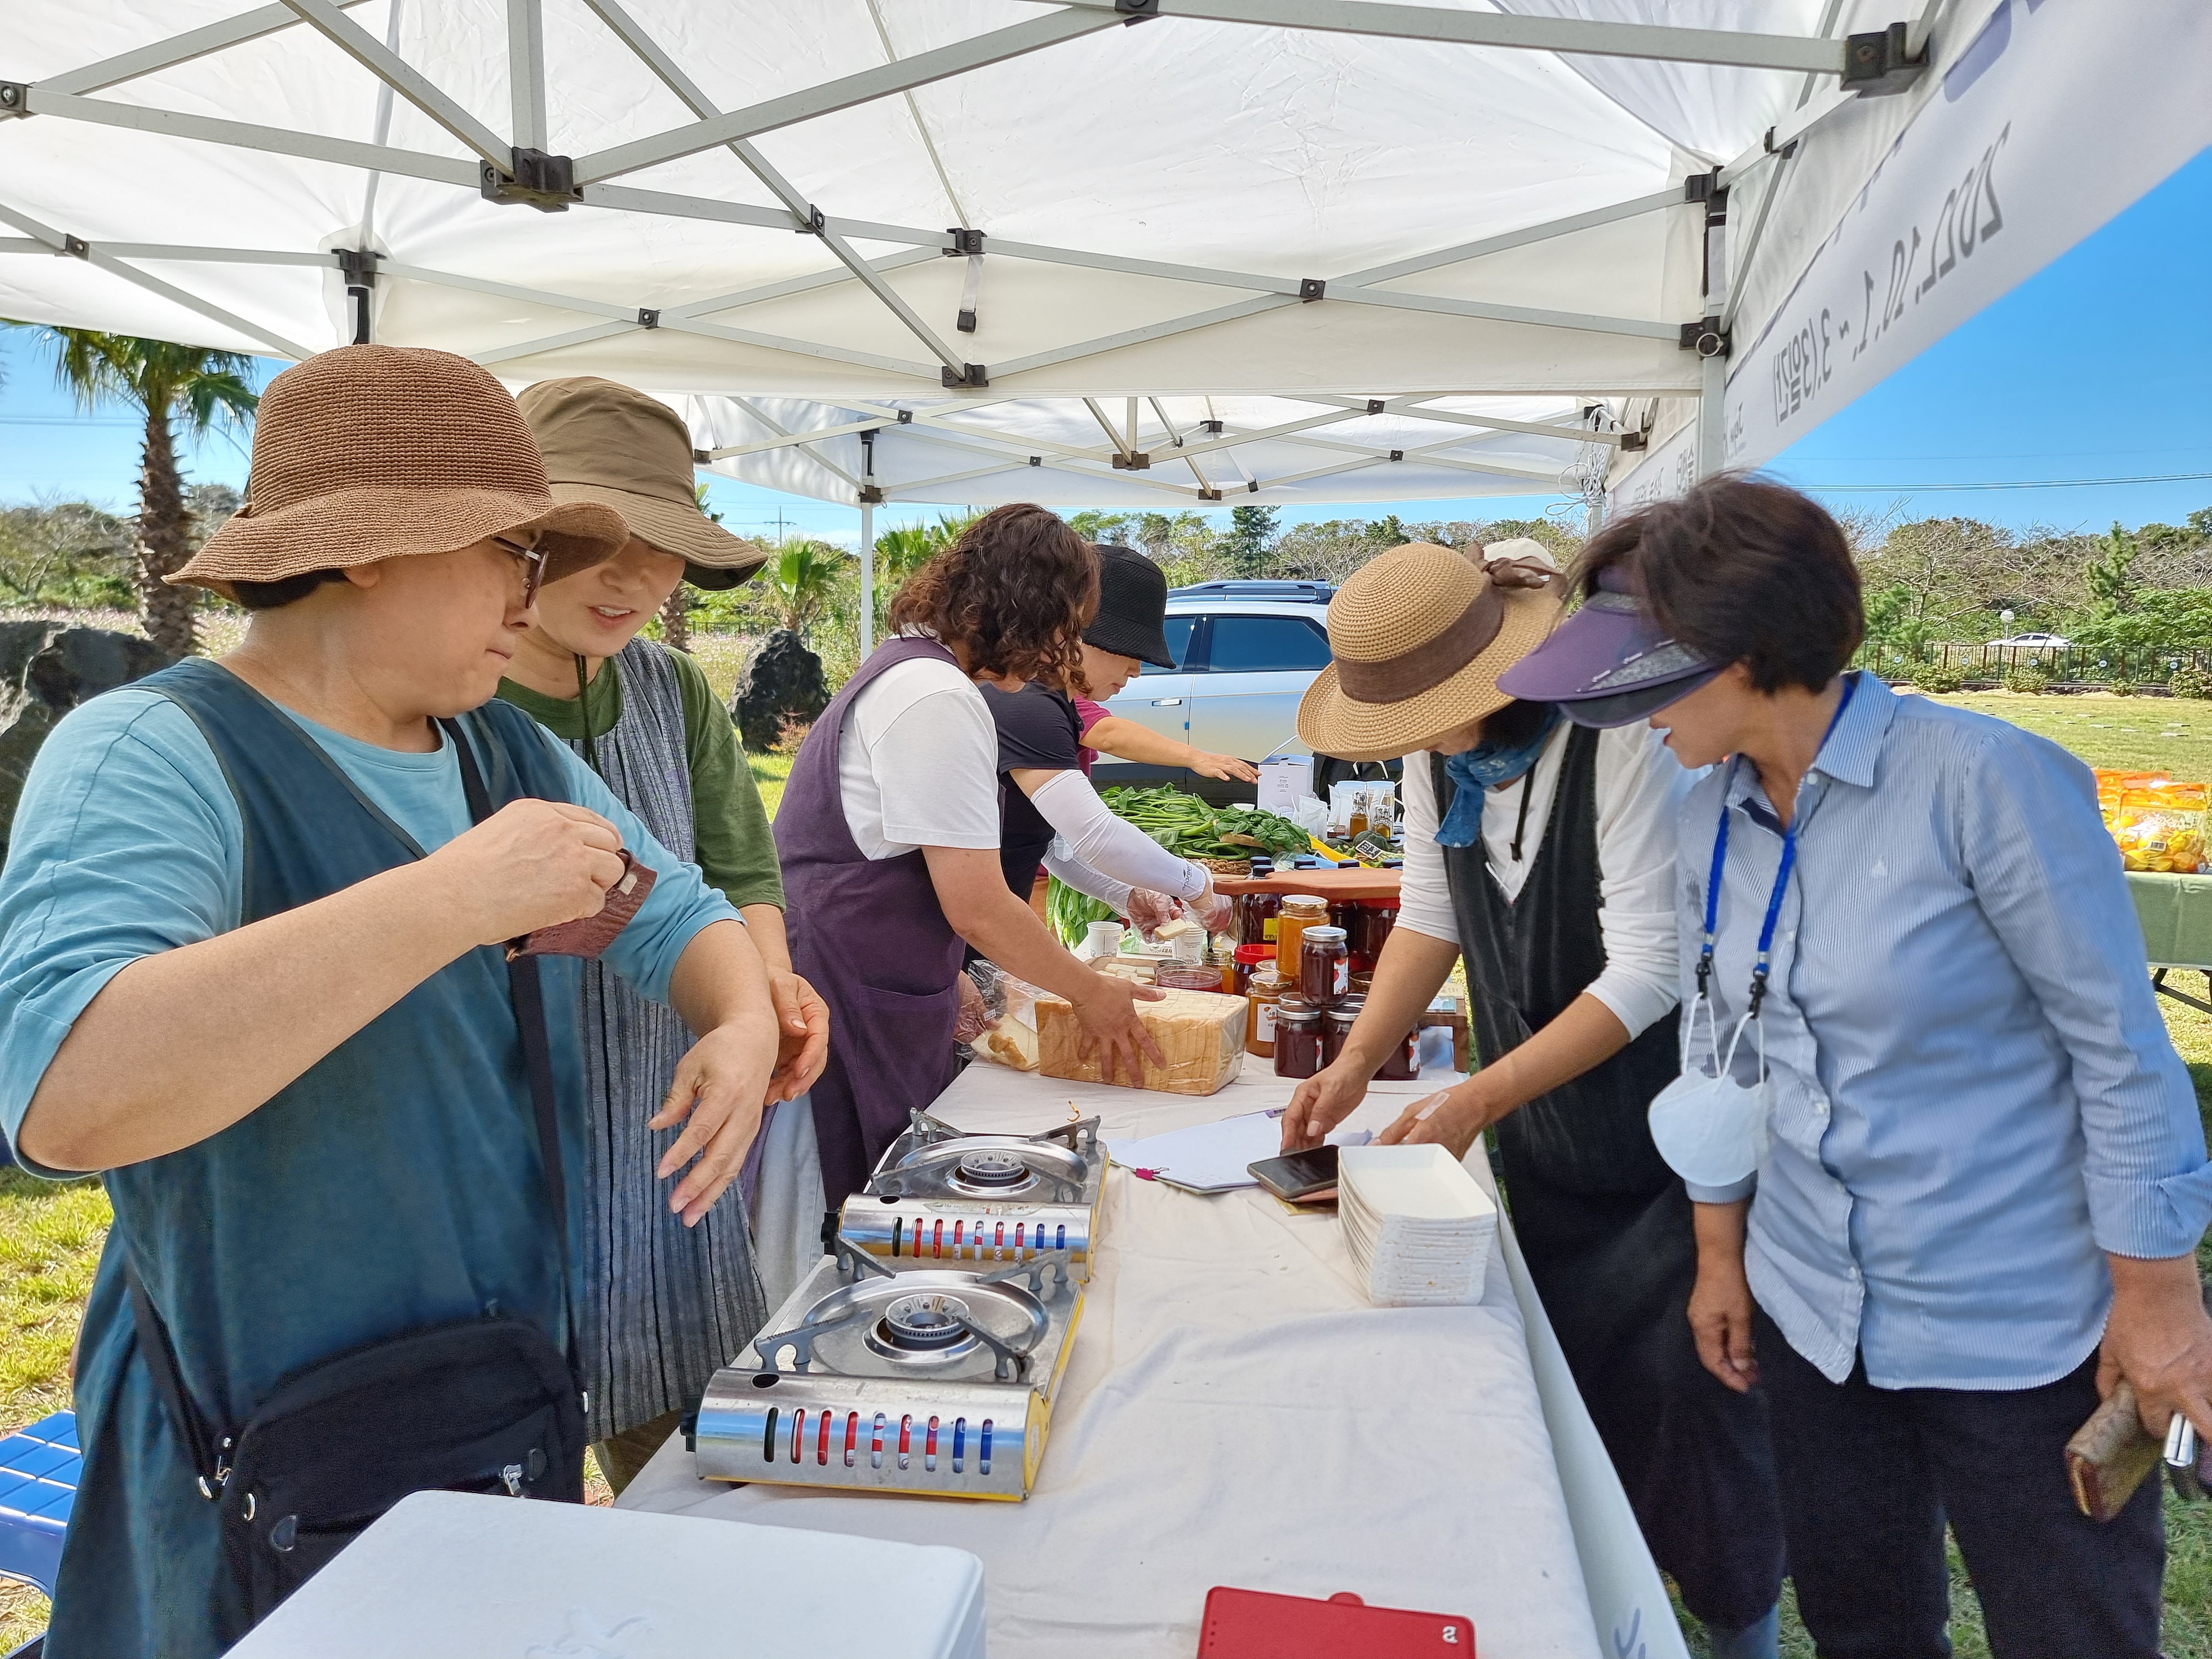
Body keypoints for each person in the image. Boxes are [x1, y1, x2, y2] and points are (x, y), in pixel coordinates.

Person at [0, 346, 784, 1659]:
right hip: (256, 1442)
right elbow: (71, 1095)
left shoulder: (495, 747)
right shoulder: (151, 749)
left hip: (492, 1397)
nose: (529, 594)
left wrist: (740, 1020)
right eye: (508, 552)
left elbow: (675, 914)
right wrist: (447, 899)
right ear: (368, 548)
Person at [1514, 474, 2212, 1659]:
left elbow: (2120, 1053)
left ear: (1736, 649)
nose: (1629, 720)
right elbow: (1718, 1046)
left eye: (1642, 680)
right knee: (1861, 1625)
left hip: (2009, 1324)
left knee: (2068, 1630)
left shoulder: (1986, 784)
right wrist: (1720, 1254)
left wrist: (2157, 1304)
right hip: (1810, 1312)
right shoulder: (1706, 816)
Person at [1282, 538, 1785, 1659]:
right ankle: (1600, 1619)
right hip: (1548, 1145)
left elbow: (1648, 968)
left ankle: (1732, 1631)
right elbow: (1430, 910)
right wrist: (1358, 1059)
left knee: (1696, 1421)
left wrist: (1473, 1101)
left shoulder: (1617, 742)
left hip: (1668, 1152)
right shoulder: (1442, 762)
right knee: (1572, 1417)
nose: (1408, 743)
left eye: (1424, 714)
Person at [501, 377, 830, 1490]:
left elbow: (738, 871)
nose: (634, 576)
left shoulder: (669, 687)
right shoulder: (447, 696)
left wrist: (770, 993)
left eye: (663, 547)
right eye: (597, 540)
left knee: (703, 1471)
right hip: (504, 1157)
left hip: (668, 1133)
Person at [774, 504, 1166, 1209]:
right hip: (845, 985)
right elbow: (979, 905)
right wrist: (1091, 992)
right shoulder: (935, 695)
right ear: (1034, 616)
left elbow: (915, 858)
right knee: (841, 1202)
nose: (1067, 653)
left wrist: (942, 968)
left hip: (871, 971)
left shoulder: (915, 673)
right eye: (1069, 630)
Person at [982, 544, 1239, 935]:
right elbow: (1095, 834)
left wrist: (1124, 893)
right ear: (1072, 633)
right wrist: (1198, 885)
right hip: (936, 934)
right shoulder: (1027, 703)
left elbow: (1053, 840)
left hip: (979, 928)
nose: (1136, 670)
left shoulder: (1049, 701)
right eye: (1128, 651)